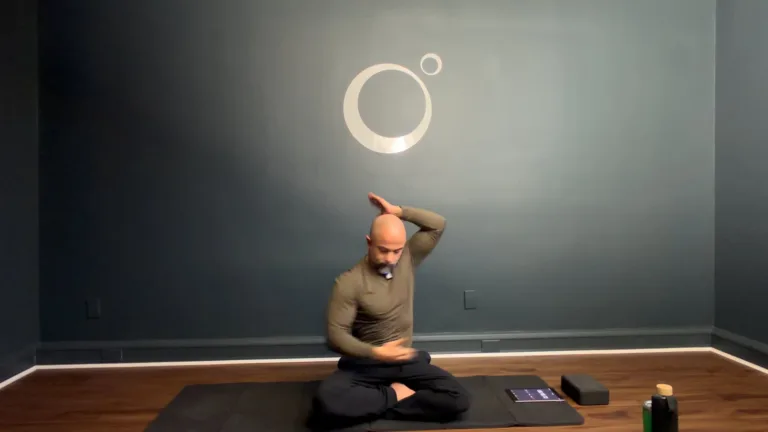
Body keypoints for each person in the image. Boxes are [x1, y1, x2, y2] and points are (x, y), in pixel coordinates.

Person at [311, 193, 471, 427]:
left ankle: (378, 402)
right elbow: (336, 336)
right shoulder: (349, 283)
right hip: (365, 365)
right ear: (369, 242)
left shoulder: (407, 258)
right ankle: (396, 394)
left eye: (396, 251)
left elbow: (437, 224)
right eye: (383, 250)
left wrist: (399, 212)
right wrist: (376, 352)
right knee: (327, 403)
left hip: (404, 361)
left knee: (458, 399)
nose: (390, 258)